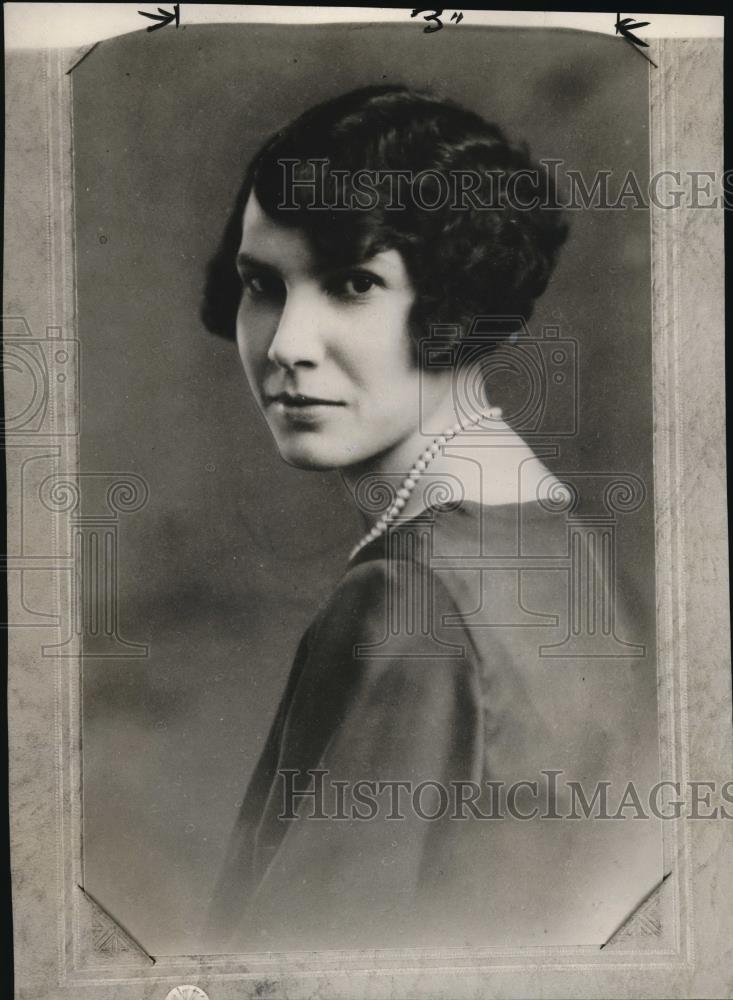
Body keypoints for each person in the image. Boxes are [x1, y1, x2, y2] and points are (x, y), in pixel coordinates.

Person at [200, 85, 660, 952]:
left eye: (351, 284)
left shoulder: (407, 600)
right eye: (261, 285)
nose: (287, 342)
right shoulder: (568, 552)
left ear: (456, 301)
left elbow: (298, 967)